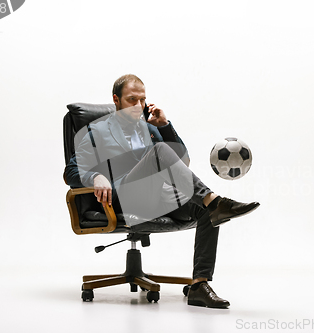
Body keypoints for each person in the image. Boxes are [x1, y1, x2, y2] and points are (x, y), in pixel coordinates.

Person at [65, 74, 259, 308]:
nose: (138, 106)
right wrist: (95, 176)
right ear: (116, 100)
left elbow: (182, 162)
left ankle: (199, 284)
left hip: (158, 195)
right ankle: (215, 201)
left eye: (142, 100)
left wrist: (165, 127)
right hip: (121, 199)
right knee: (160, 152)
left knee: (205, 211)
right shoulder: (96, 131)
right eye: (131, 100)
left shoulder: (150, 128)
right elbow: (71, 171)